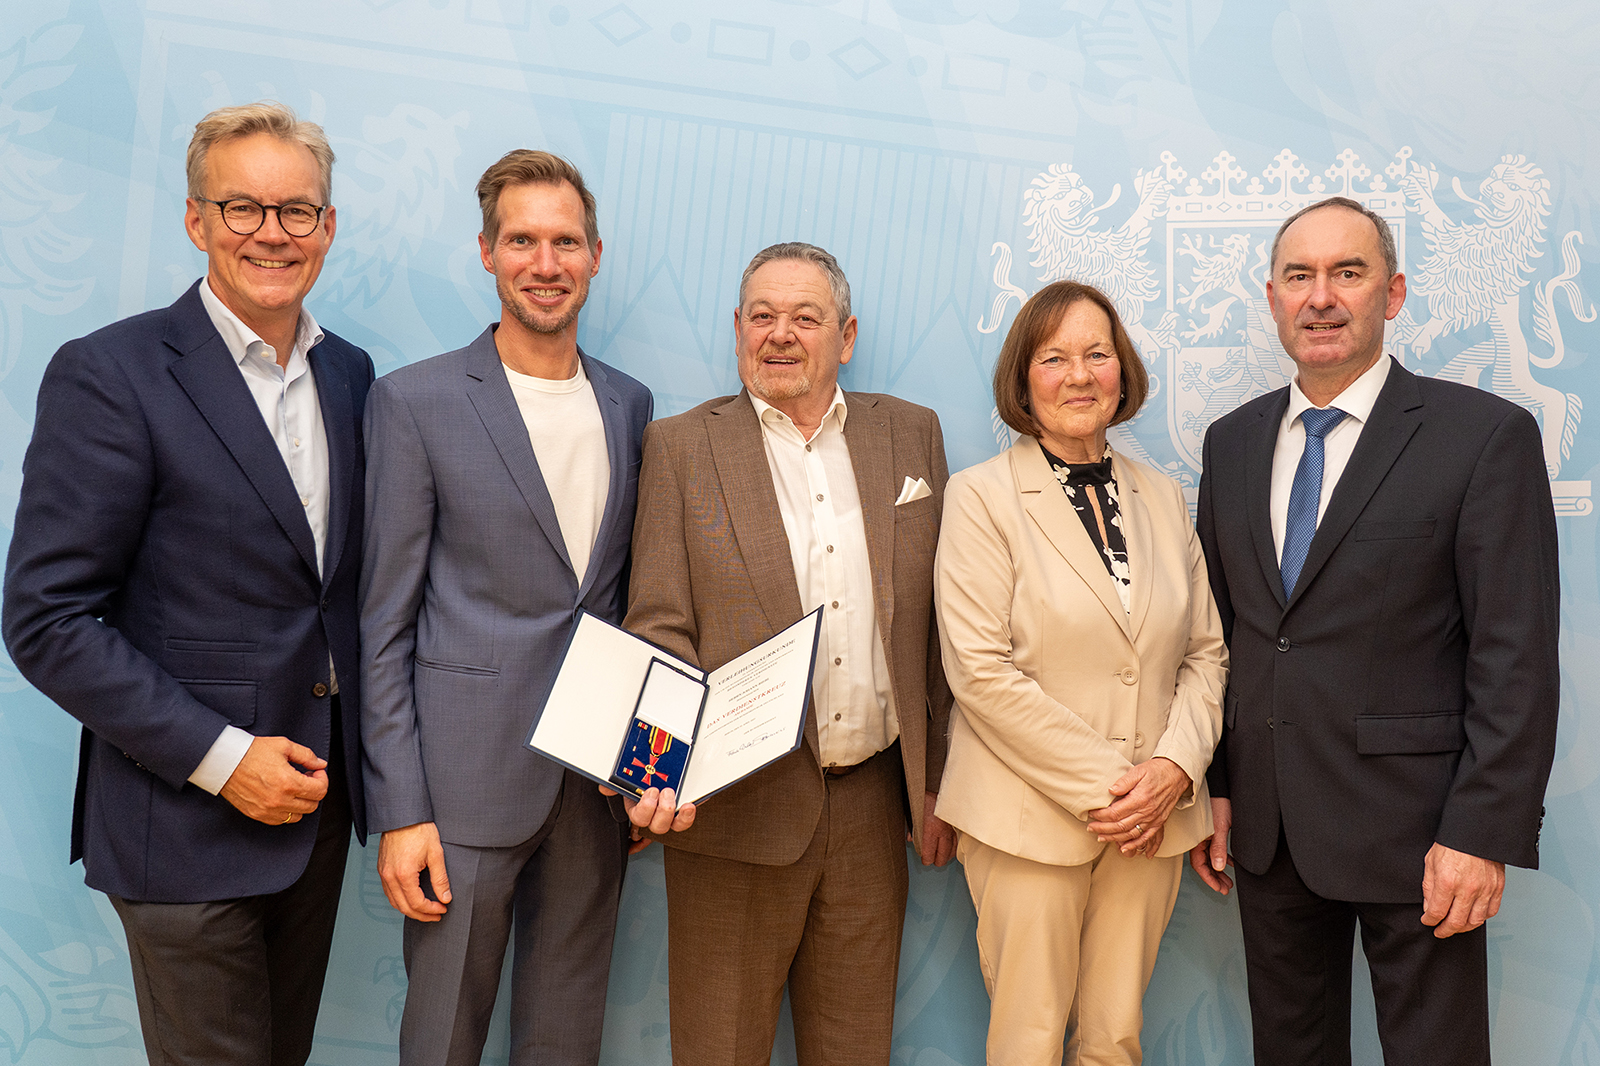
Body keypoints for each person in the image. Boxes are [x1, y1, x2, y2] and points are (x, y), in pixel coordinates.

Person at [1, 102, 371, 1066]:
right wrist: (220, 757)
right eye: (241, 207)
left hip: (314, 821)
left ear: (327, 228)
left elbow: (333, 595)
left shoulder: (352, 377)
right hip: (182, 826)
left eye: (296, 211)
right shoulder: (111, 374)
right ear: (196, 221)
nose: (271, 233)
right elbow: (45, 619)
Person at [1191, 196, 1560, 1064]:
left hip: (1423, 835)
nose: (1321, 297)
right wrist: (1218, 782)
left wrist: (1482, 831)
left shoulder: (1483, 437)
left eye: (1346, 274)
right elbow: (1222, 635)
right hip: (1269, 828)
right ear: (1273, 297)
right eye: (1299, 276)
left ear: (1391, 295)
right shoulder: (1232, 443)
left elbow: (1516, 657)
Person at [622, 241, 956, 1066]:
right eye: (762, 316)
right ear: (737, 329)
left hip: (876, 813)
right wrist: (651, 776)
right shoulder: (680, 446)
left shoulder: (911, 435)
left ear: (844, 336)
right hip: (731, 815)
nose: (781, 334)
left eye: (804, 317)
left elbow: (943, 628)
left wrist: (940, 783)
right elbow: (658, 626)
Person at [359, 149, 651, 1066]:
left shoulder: (631, 405)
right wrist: (401, 810)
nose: (545, 261)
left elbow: (635, 604)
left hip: (594, 788)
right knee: (442, 1040)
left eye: (565, 240)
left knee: (567, 1043)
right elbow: (382, 626)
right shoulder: (416, 401)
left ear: (596, 255)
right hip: (461, 792)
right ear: (486, 253)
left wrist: (647, 766)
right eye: (521, 239)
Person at [933, 280, 1227, 1065]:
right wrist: (1122, 789)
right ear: (1023, 380)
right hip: (1030, 818)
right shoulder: (980, 498)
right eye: (1054, 357)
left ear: (1121, 371)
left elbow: (1205, 654)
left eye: (1097, 354)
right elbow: (981, 674)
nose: (1079, 374)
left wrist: (1171, 770)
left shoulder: (1165, 498)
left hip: (1152, 823)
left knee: (1116, 1039)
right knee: (1029, 1039)